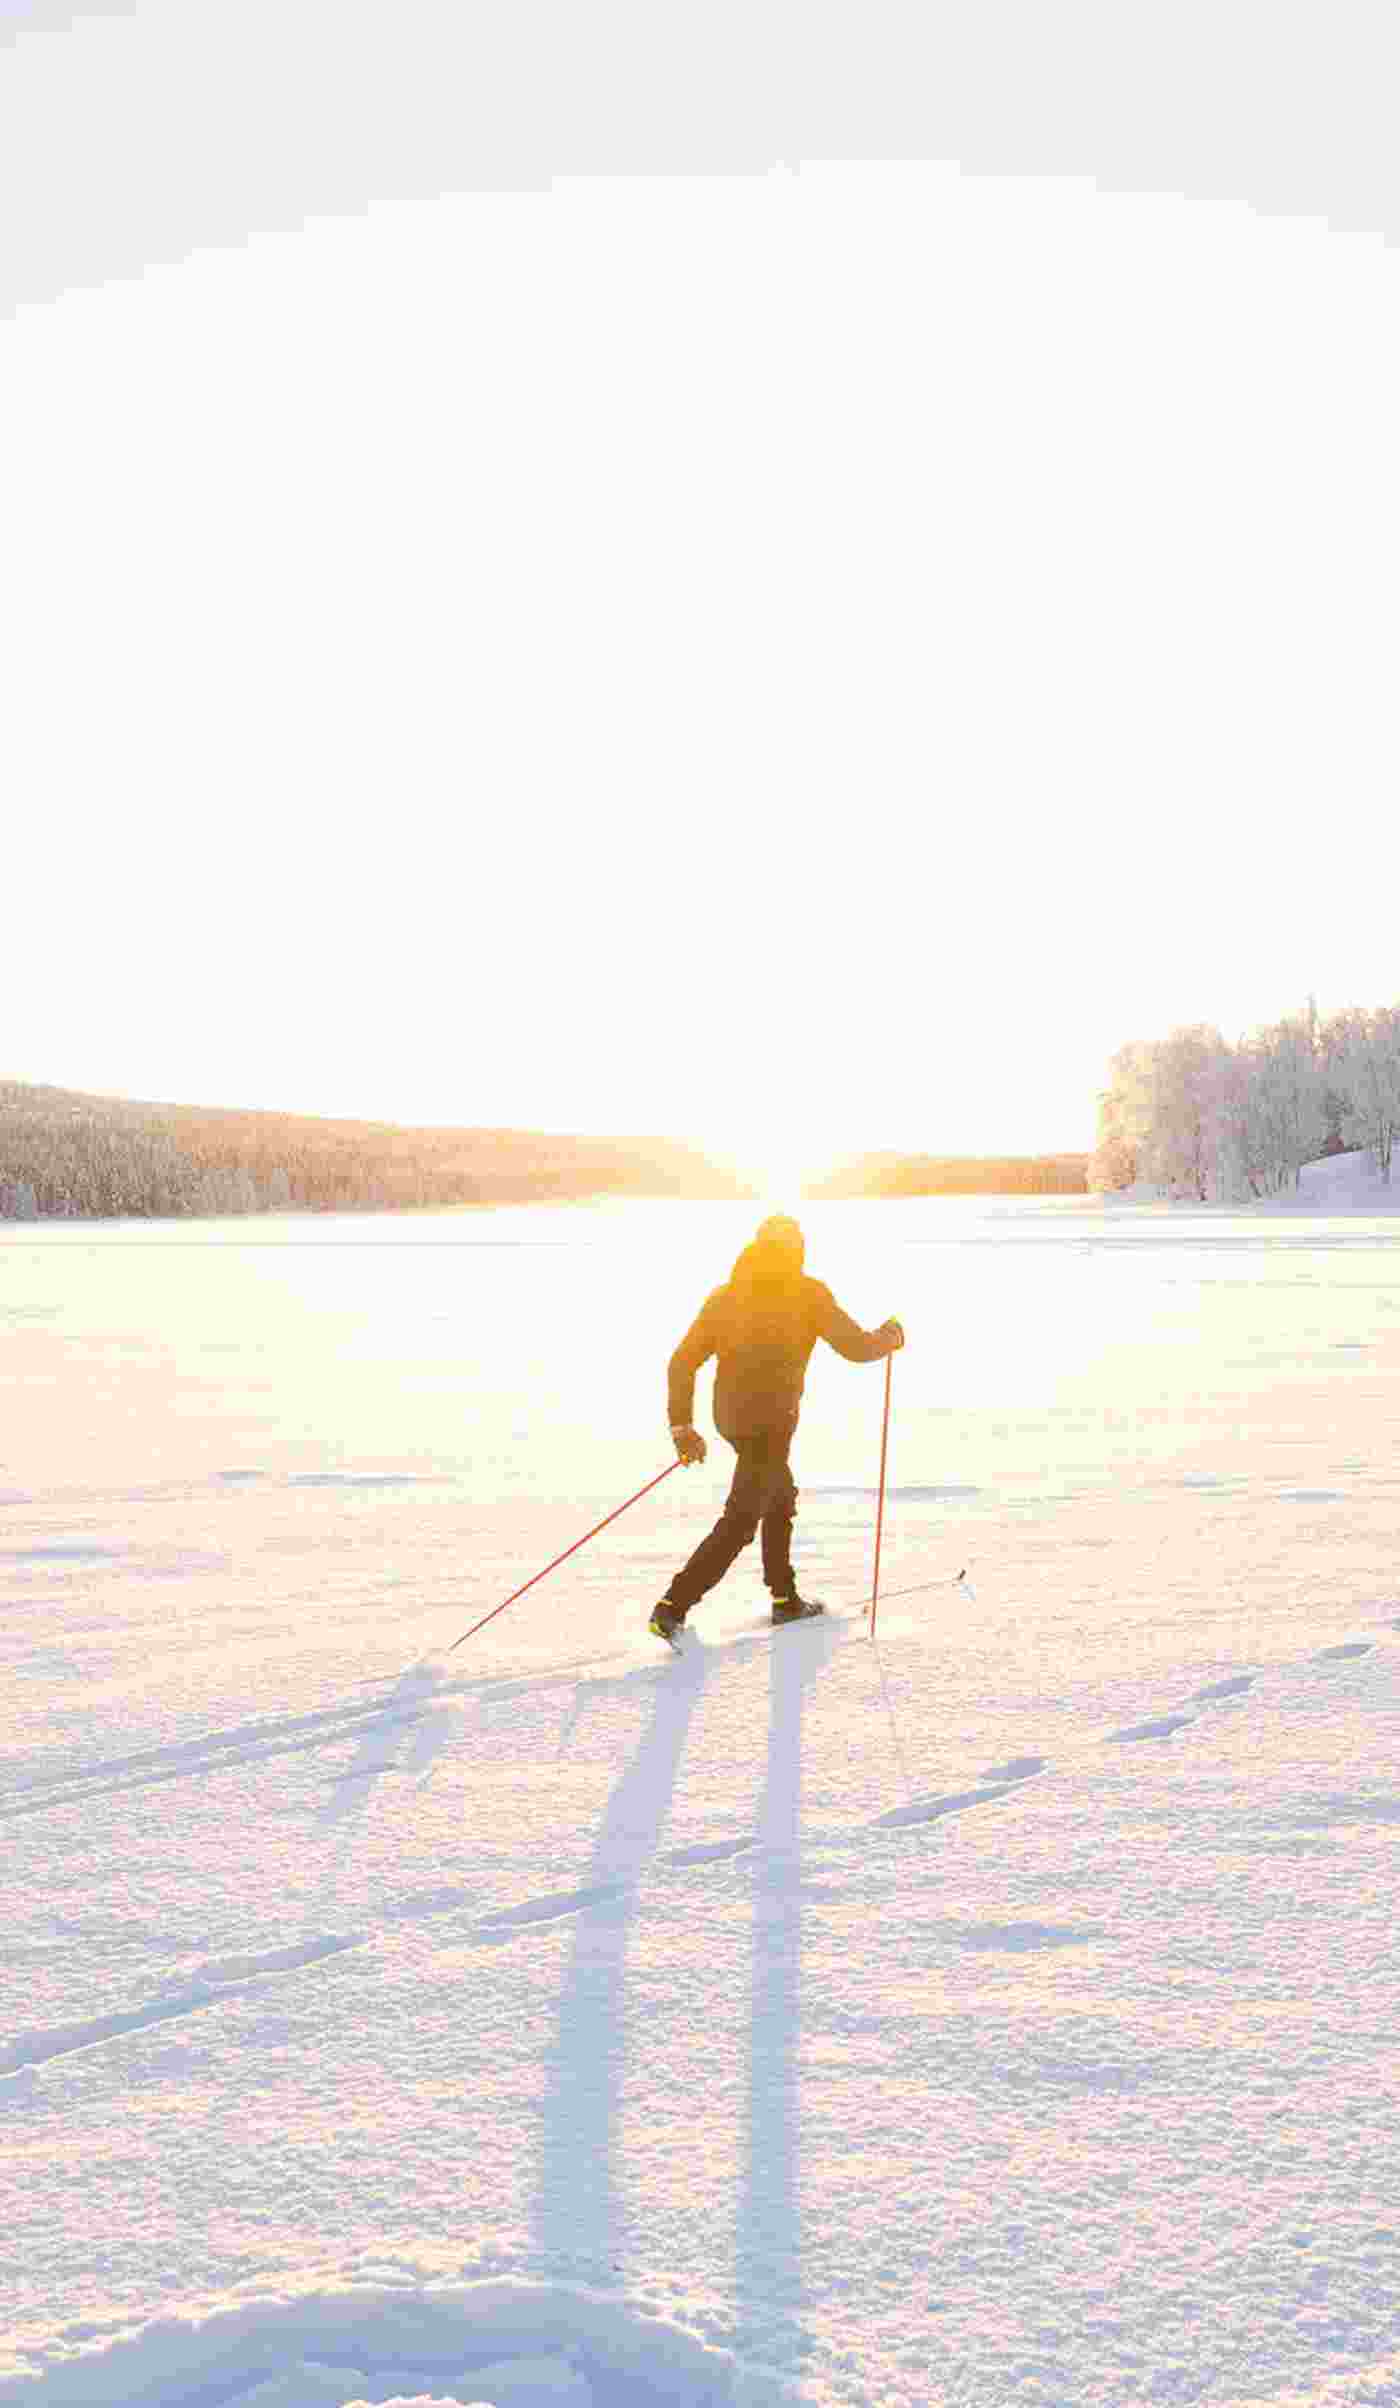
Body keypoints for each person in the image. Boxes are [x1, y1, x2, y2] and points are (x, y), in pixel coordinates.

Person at [650, 1214, 904, 1645]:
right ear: (797, 1250)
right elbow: (857, 1347)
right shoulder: (807, 1294)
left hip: (730, 1419)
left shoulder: (726, 1297)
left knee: (780, 1494)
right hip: (769, 1425)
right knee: (742, 1519)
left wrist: (682, 1427)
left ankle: (785, 1599)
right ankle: (672, 1607)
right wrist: (889, 1337)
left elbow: (681, 1363)